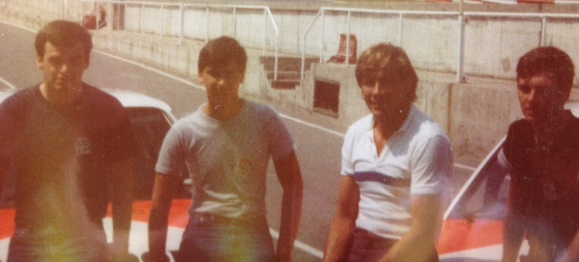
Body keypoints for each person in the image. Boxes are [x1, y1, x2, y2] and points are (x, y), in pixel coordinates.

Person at [147, 36, 303, 262]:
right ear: (201, 75)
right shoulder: (183, 131)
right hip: (202, 233)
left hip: (251, 232)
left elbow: (294, 184)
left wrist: (285, 250)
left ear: (241, 76)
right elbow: (159, 206)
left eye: (230, 74)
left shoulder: (265, 120)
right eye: (214, 73)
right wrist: (156, 256)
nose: (221, 82)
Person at [0, 20, 136, 262]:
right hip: (31, 241)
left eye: (74, 60)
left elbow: (124, 184)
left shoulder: (108, 110)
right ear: (40, 60)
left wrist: (121, 247)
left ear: (86, 61)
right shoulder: (14, 111)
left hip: (89, 241)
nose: (65, 69)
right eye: (56, 60)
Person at [323, 43, 453, 262]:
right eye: (368, 82)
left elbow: (423, 233)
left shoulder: (429, 139)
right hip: (361, 245)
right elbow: (345, 217)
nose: (376, 92)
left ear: (407, 85)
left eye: (386, 82)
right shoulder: (356, 133)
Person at [500, 46, 579, 262]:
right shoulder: (519, 133)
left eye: (543, 91)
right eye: (524, 89)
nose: (531, 99)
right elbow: (515, 209)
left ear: (565, 92)